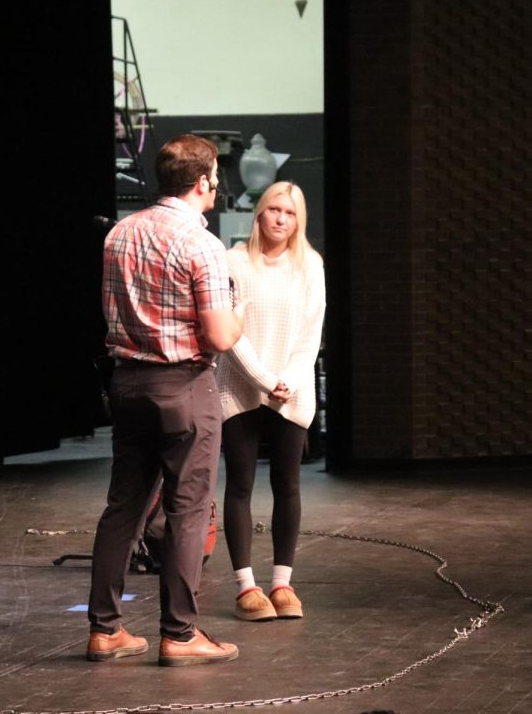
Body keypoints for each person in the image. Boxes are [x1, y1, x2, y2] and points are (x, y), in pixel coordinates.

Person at [87, 134, 245, 667]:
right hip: (181, 385)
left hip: (127, 383)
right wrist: (240, 311)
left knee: (123, 506)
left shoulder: (118, 233)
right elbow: (221, 336)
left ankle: (105, 629)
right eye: (216, 176)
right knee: (187, 509)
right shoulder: (201, 243)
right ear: (204, 182)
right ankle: (179, 634)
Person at [217, 181, 326, 622]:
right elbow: (228, 333)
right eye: (274, 210)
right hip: (240, 387)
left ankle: (282, 583)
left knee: (288, 485)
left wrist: (290, 380)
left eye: (291, 213)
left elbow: (310, 333)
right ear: (259, 213)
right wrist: (264, 380)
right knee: (240, 485)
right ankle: (246, 587)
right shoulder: (233, 262)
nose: (281, 219)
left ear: (299, 221)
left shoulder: (310, 266)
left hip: (290, 388)